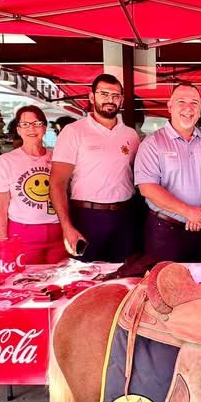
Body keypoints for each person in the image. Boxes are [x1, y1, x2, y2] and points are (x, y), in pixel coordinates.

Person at [134, 82, 201, 262]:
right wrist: (189, 212)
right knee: (165, 286)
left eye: (194, 103)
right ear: (169, 106)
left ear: (200, 110)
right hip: (165, 232)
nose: (188, 108)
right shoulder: (152, 143)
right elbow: (147, 187)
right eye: (181, 102)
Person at [50, 75, 141, 262]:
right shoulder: (74, 131)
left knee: (122, 278)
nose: (110, 99)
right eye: (104, 94)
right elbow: (57, 183)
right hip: (86, 217)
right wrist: (67, 227)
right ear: (92, 97)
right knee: (85, 278)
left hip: (123, 217)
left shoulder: (130, 135)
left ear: (122, 100)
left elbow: (138, 177)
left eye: (116, 95)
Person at [0, 106, 63, 264]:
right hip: (23, 236)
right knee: (26, 284)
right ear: (18, 129)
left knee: (58, 284)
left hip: (58, 234)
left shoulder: (58, 158)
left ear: (44, 128)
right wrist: (4, 244)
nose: (31, 128)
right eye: (25, 124)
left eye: (36, 123)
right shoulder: (5, 162)